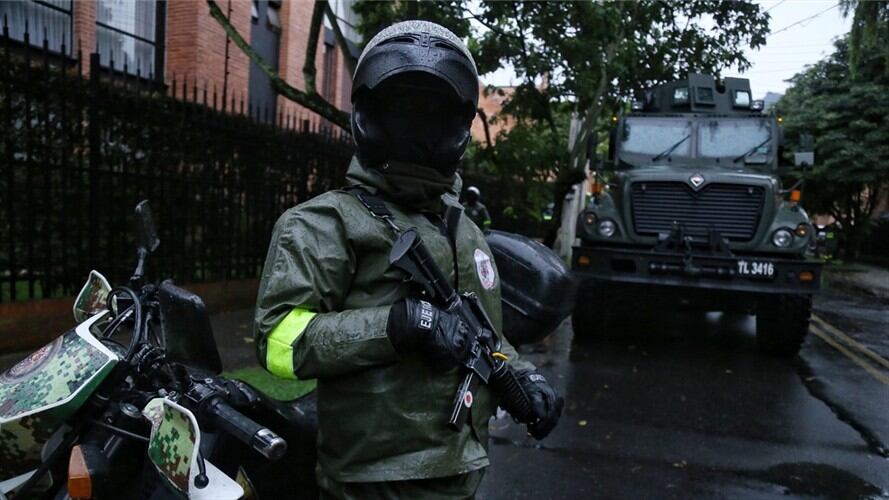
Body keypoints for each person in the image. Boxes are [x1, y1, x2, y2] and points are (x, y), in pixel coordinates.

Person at [254, 21, 562, 499]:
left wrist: (523, 376)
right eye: (402, 108)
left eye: (432, 112)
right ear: (369, 113)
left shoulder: (466, 230)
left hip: (462, 470)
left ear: (457, 123)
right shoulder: (324, 223)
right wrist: (396, 324)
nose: (416, 124)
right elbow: (277, 341)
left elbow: (484, 335)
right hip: (373, 480)